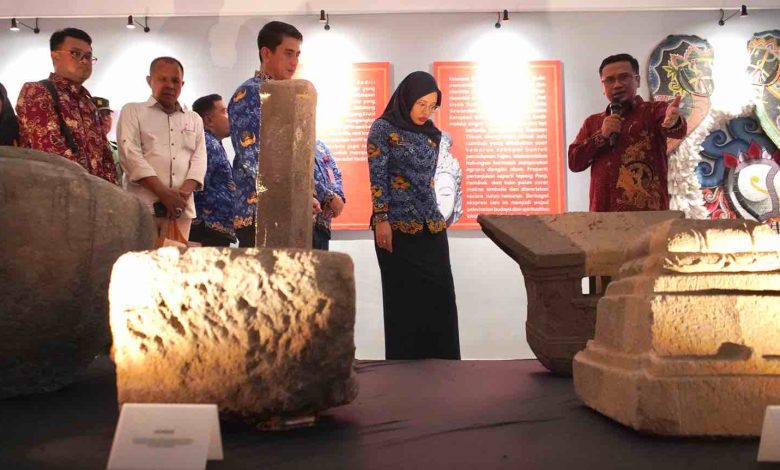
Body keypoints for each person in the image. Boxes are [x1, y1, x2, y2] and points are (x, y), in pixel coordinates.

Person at [367, 71, 460, 360]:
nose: (426, 111)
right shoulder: (382, 129)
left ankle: (444, 367)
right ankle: (404, 370)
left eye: (432, 105)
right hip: (394, 227)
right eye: (421, 103)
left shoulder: (432, 135)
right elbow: (377, 177)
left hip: (431, 226)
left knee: (441, 298)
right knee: (403, 301)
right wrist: (381, 219)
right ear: (406, 98)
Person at [229, 21, 318, 247]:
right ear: (266, 53)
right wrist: (291, 192)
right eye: (288, 53)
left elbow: (297, 155)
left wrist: (311, 193)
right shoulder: (249, 92)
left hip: (287, 208)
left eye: (297, 55)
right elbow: (252, 156)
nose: (294, 62)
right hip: (258, 210)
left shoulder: (287, 95)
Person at [568, 53, 686, 212]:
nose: (617, 85)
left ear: (637, 80)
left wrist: (673, 121)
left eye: (624, 77)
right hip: (603, 218)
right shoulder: (593, 122)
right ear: (603, 87)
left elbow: (677, 129)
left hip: (647, 217)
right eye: (609, 80)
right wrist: (601, 136)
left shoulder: (653, 111)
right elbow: (574, 162)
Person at [117, 57, 206, 240]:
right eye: (162, 79)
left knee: (175, 265)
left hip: (181, 210)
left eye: (175, 80)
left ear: (183, 83)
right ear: (149, 81)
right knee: (142, 263)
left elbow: (199, 159)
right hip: (142, 209)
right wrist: (164, 194)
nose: (170, 85)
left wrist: (181, 196)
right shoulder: (133, 111)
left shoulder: (194, 118)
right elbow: (130, 155)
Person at [15, 28, 117, 184]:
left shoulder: (88, 103)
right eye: (75, 53)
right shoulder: (38, 91)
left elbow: (105, 157)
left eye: (88, 56)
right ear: (55, 55)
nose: (84, 60)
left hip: (97, 199)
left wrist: (111, 193)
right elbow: (50, 154)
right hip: (58, 197)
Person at [190, 94, 237, 247]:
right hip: (206, 230)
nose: (229, 116)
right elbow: (197, 184)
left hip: (213, 229)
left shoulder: (212, 143)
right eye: (224, 111)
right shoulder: (208, 144)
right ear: (208, 120)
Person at [312, 139, 345, 250]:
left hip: (323, 224)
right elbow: (301, 177)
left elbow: (333, 172)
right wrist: (328, 197)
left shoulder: (320, 145)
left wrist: (338, 196)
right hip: (306, 221)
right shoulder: (291, 143)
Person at [91, 96, 123, 185]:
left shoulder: (118, 149)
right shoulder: (84, 149)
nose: (105, 119)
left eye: (107, 114)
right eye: (100, 114)